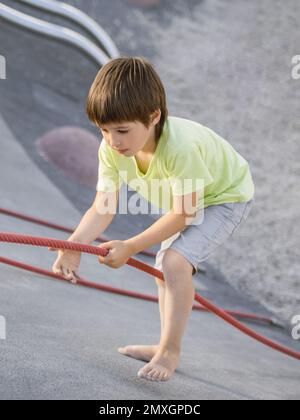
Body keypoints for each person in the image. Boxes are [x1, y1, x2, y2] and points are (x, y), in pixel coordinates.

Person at [50, 56, 255, 382]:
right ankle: (164, 344)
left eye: (122, 130)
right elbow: (103, 207)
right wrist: (74, 244)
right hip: (187, 201)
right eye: (103, 130)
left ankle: (170, 352)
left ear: (154, 117)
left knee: (173, 263)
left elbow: (185, 213)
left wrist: (130, 246)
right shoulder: (111, 149)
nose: (113, 141)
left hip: (225, 198)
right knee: (164, 267)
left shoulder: (180, 148)